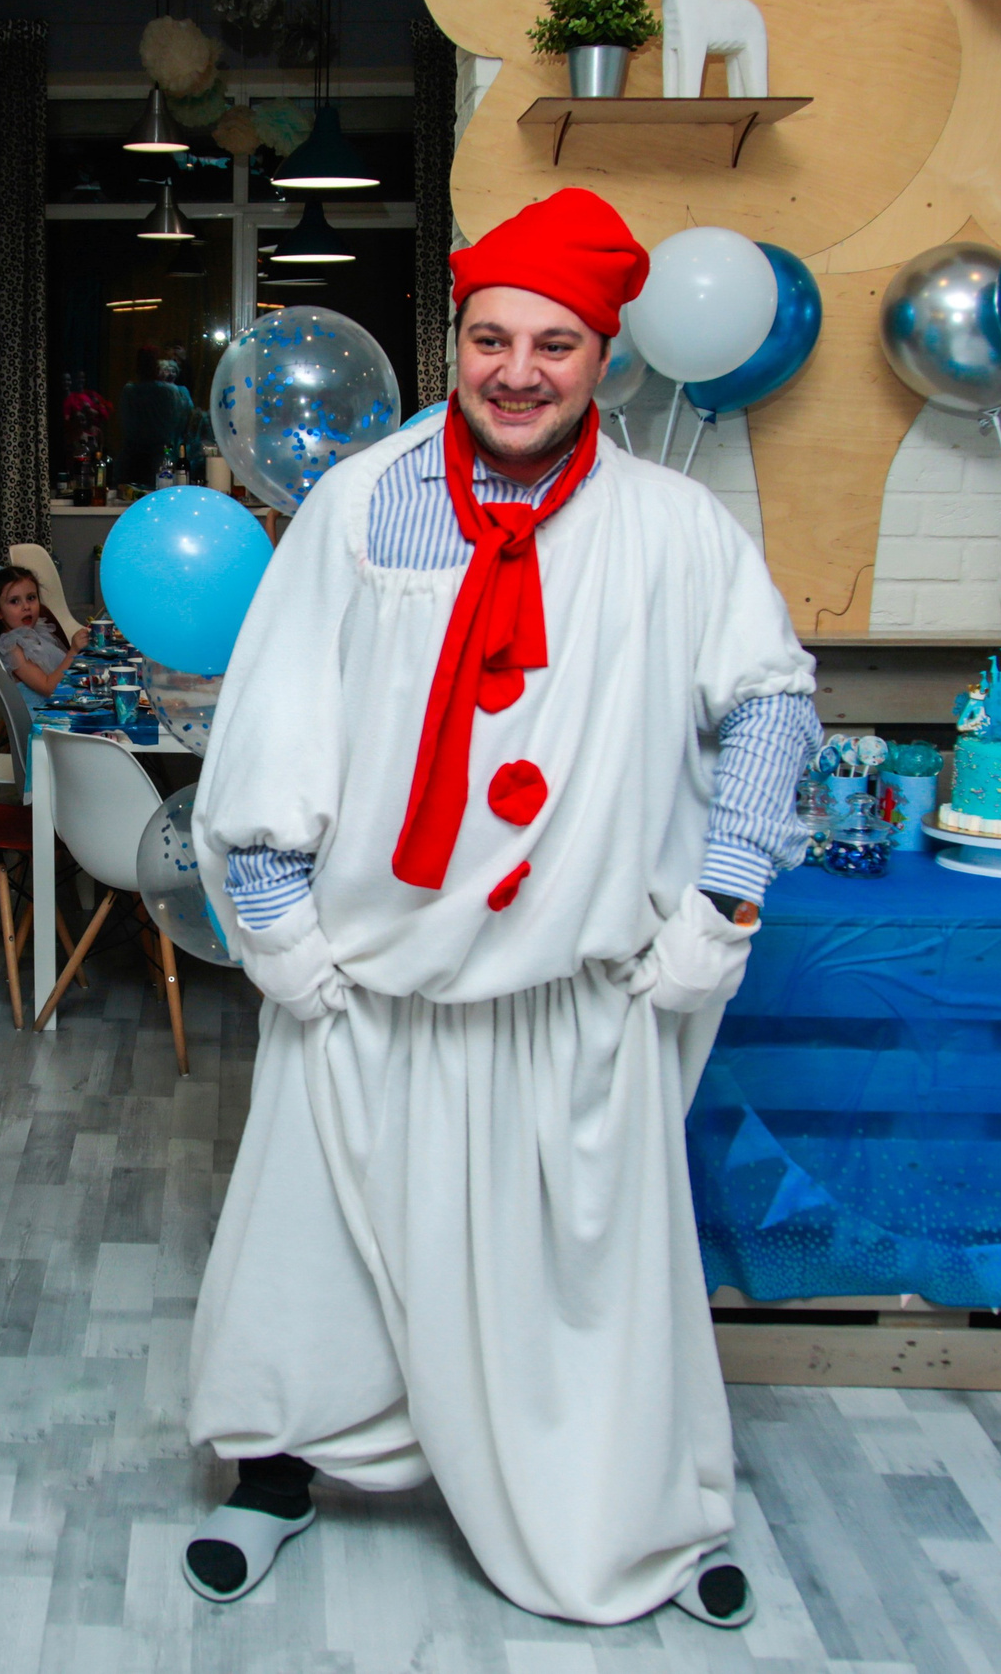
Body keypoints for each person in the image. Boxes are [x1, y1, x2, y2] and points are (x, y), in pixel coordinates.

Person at [180, 187, 820, 1628]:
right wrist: (278, 930)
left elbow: (772, 706)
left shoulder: (676, 527)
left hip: (571, 996)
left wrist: (720, 903)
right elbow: (274, 725)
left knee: (589, 1284)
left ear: (607, 357)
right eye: (489, 338)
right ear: (452, 340)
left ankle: (640, 1504)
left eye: (555, 342)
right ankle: (282, 1474)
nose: (517, 369)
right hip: (370, 984)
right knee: (316, 1254)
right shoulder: (361, 507)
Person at [0, 565, 89, 699]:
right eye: (14, 601)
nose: (26, 606)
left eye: (31, 598)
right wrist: (73, 651)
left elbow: (58, 668)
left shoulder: (36, 631)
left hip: (61, 699)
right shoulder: (11, 648)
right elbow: (48, 688)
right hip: (43, 713)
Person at [119, 344, 198, 487]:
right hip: (147, 457)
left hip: (154, 457)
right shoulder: (134, 391)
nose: (169, 373)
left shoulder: (169, 392)